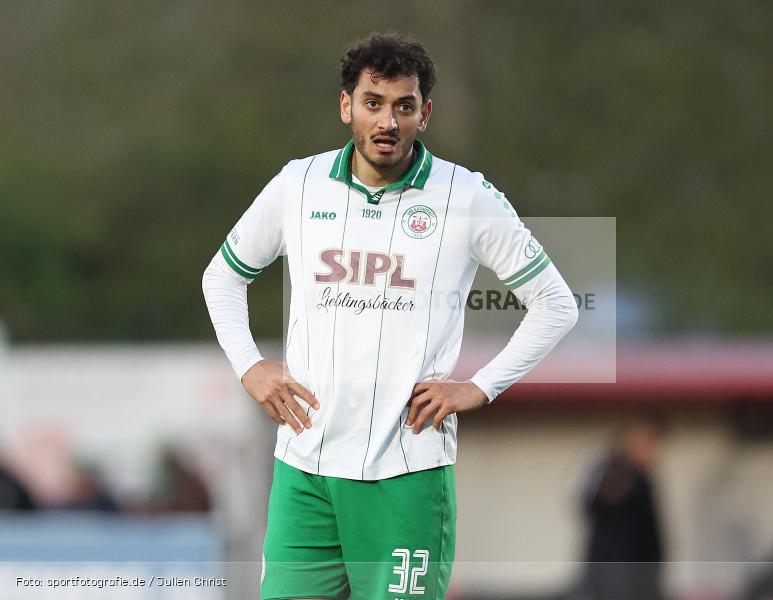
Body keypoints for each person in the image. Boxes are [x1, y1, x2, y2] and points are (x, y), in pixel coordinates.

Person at [202, 33, 579, 600]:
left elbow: (557, 304)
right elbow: (222, 276)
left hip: (407, 474)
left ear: (424, 113)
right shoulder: (297, 185)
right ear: (346, 106)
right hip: (306, 471)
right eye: (373, 103)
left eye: (404, 106)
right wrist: (250, 367)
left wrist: (480, 386)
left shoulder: (466, 197)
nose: (388, 121)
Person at [577, 418, 666, 600]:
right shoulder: (617, 476)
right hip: (620, 578)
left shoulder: (639, 479)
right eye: (648, 444)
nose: (653, 452)